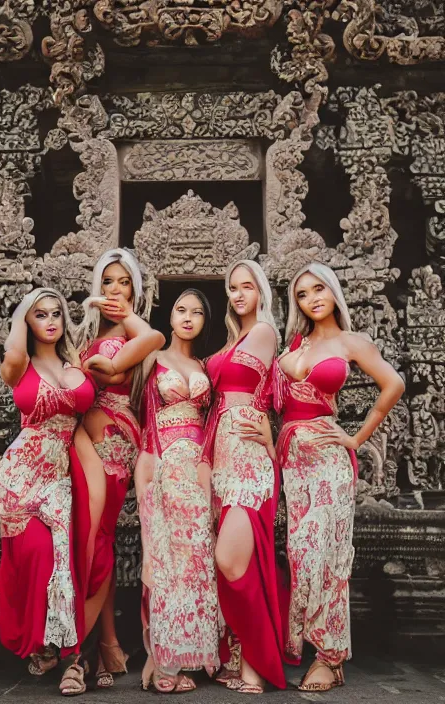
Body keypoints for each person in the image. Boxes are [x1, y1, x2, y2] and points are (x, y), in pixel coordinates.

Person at [256, 262, 405, 692]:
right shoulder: (293, 346)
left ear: (333, 291)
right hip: (293, 462)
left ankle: (329, 656)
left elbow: (392, 385)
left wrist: (356, 438)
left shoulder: (352, 342)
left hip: (329, 459)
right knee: (302, 554)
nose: (312, 298)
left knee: (324, 548)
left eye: (319, 288)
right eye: (302, 294)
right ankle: (321, 653)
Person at [0, 288, 95, 697]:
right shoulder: (20, 364)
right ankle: (45, 643)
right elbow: (14, 353)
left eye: (56, 313)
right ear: (28, 322)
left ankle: (74, 659)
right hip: (19, 476)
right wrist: (23, 313)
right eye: (40, 315)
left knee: (62, 560)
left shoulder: (77, 363)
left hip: (58, 476)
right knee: (35, 558)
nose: (51, 320)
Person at [73, 248, 165, 688]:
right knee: (91, 535)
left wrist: (110, 357)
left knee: (99, 534)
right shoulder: (86, 331)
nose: (113, 290)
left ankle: (82, 648)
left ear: (135, 289)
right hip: (80, 442)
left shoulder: (135, 330)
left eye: (123, 281)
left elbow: (154, 340)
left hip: (115, 438)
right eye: (107, 281)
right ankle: (107, 642)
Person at [200, 260, 289, 694]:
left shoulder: (264, 332)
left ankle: (258, 662)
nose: (237, 295)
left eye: (247, 287)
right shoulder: (234, 339)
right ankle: (240, 659)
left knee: (230, 559)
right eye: (232, 288)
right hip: (220, 454)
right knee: (240, 562)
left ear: (261, 292)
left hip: (247, 456)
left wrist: (268, 433)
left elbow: (253, 390)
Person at [135, 289, 220, 693]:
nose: (188, 318)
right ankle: (164, 661)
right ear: (167, 316)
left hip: (199, 469)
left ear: (206, 321)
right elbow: (146, 416)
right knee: (165, 558)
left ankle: (174, 656)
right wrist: (149, 470)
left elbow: (215, 419)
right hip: (165, 462)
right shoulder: (154, 359)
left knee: (195, 561)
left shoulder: (204, 365)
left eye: (197, 312)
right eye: (181, 310)